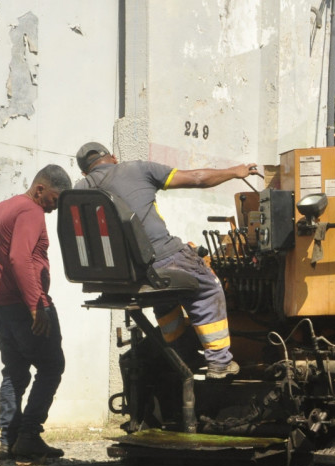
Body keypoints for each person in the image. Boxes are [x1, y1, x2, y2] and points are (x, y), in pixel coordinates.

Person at [73, 142, 257, 379]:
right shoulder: (138, 169)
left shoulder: (80, 189)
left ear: (84, 172)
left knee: (164, 291)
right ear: (114, 158)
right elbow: (198, 178)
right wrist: (236, 171)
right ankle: (220, 361)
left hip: (120, 274)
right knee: (208, 286)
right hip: (160, 259)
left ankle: (184, 353)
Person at [0, 164, 73, 462]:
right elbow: (19, 258)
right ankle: (29, 436)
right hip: (27, 307)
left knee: (15, 371)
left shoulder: (1, 208)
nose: (54, 208)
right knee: (51, 367)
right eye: (55, 199)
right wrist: (37, 304)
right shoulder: (30, 211)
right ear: (40, 190)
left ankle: (7, 442)